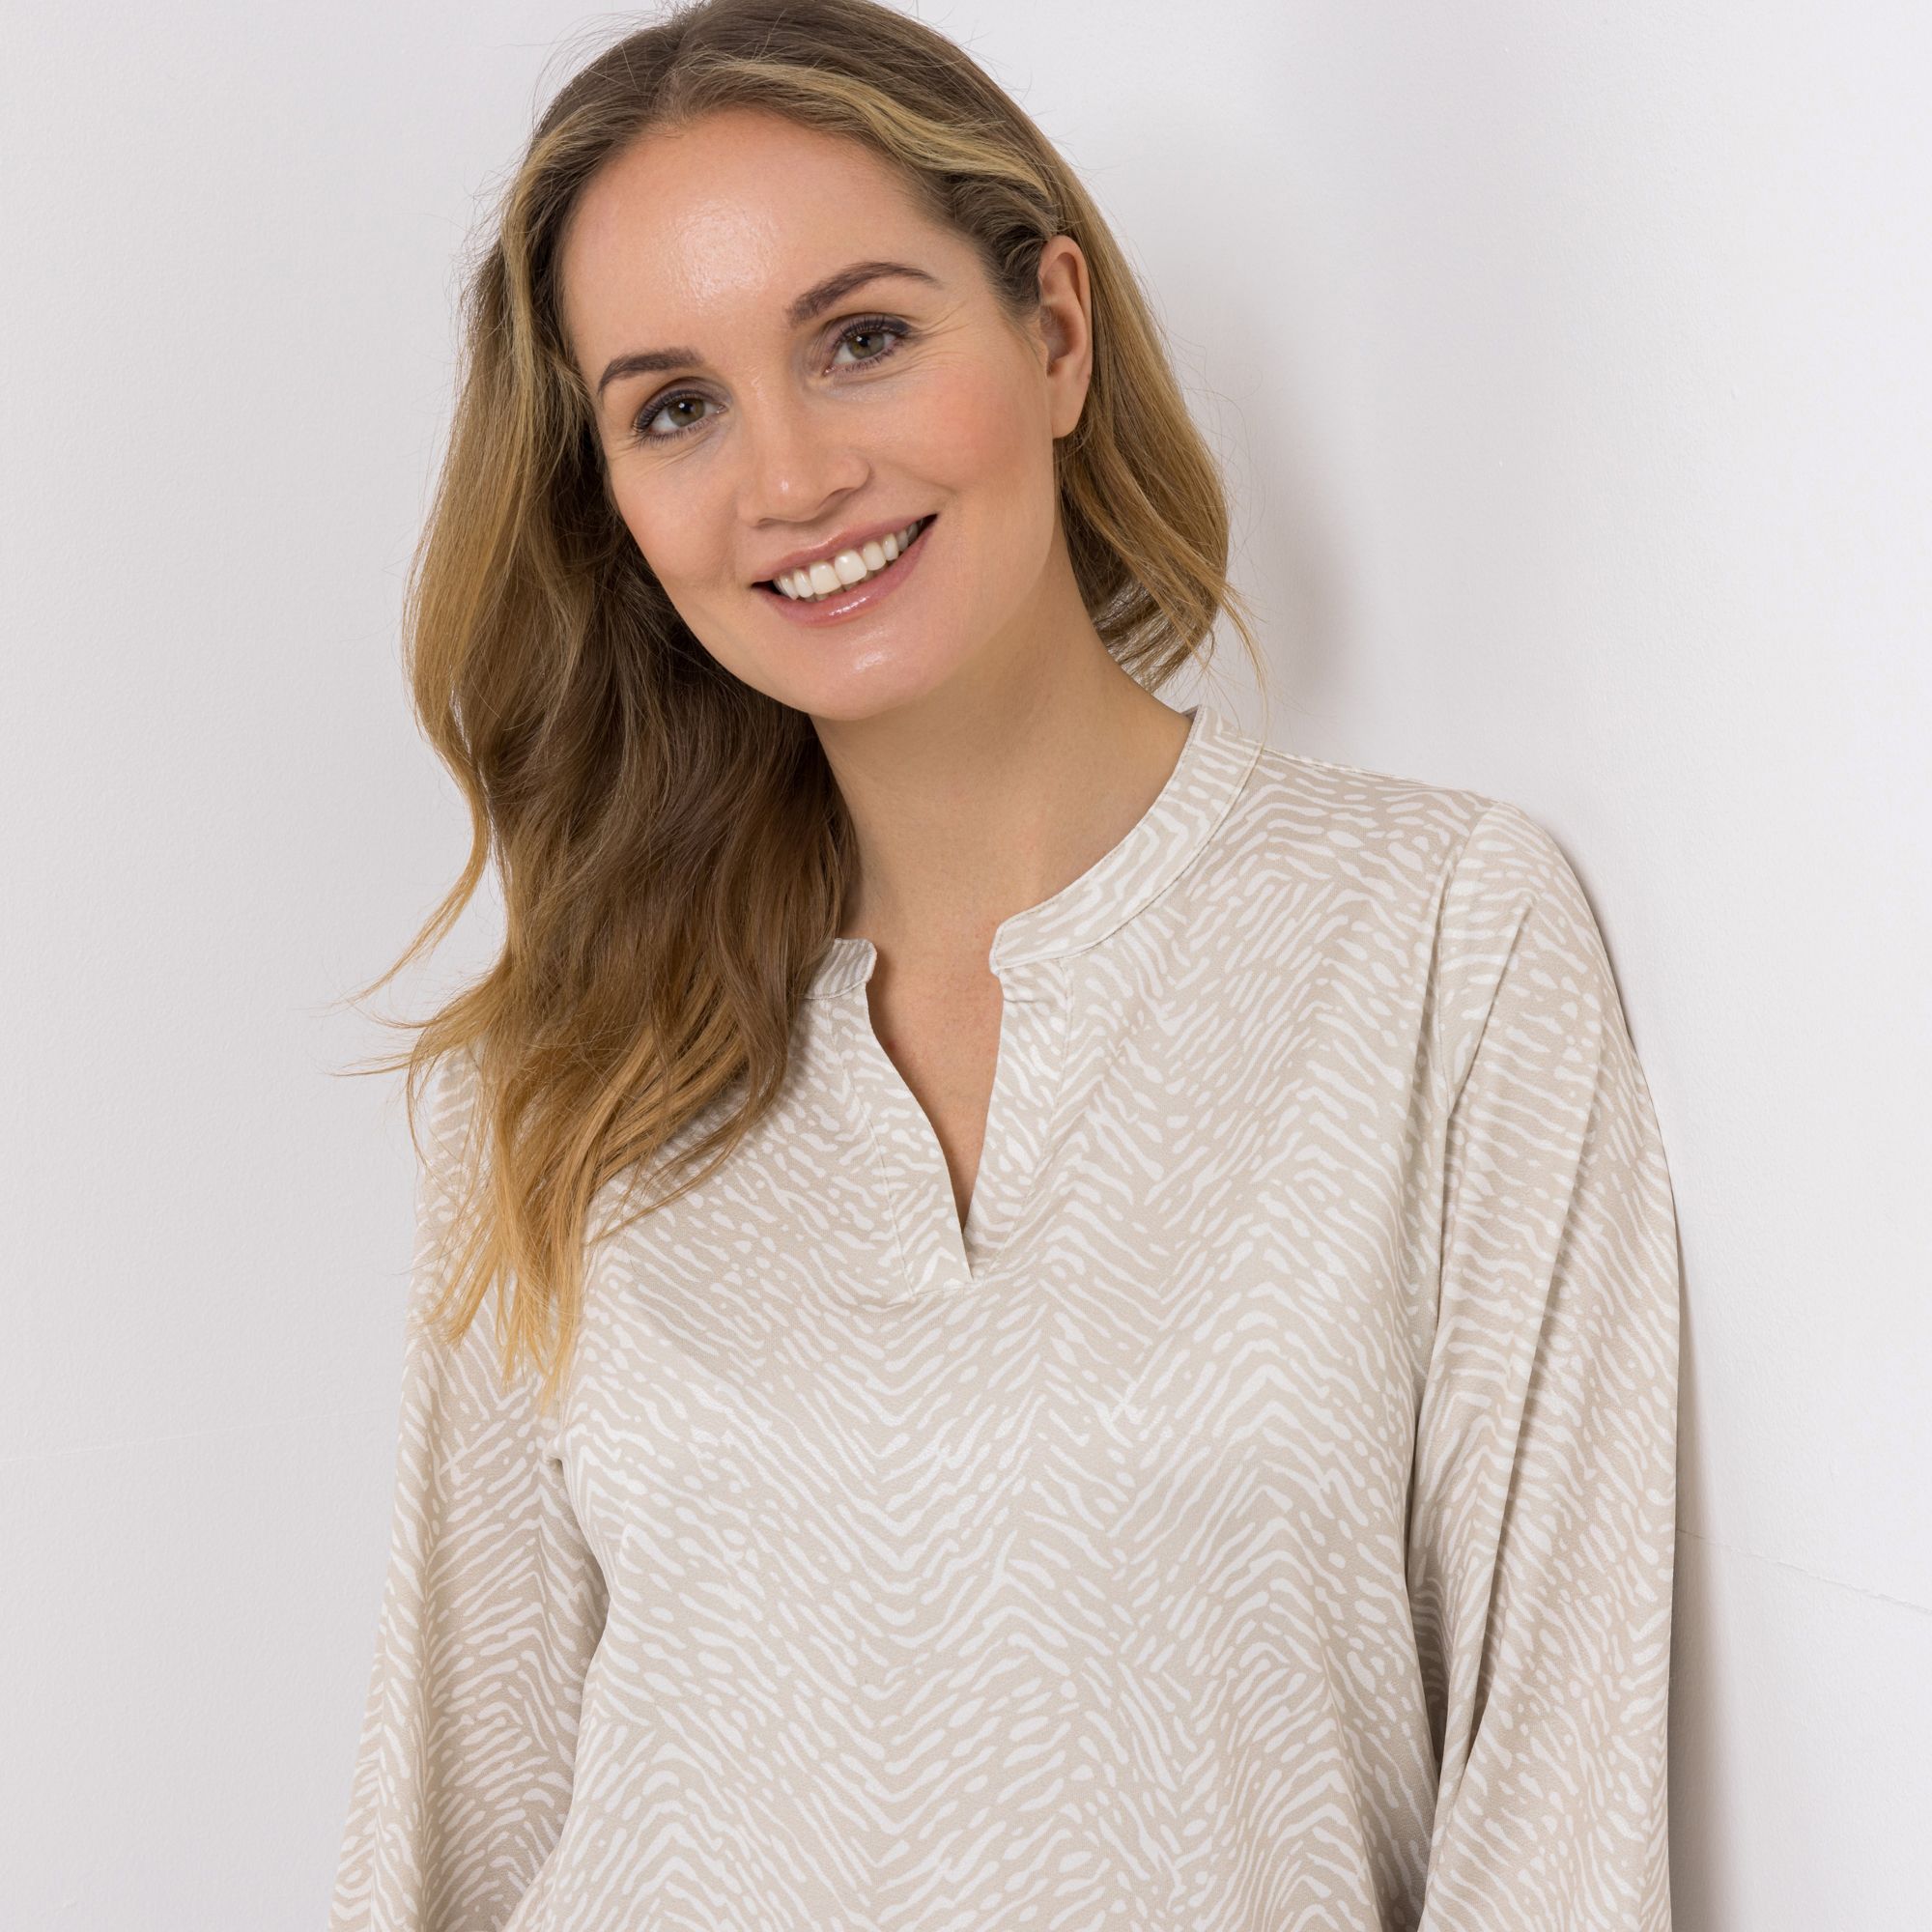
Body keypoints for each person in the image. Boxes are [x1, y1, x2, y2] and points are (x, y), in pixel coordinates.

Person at [327, 2, 1682, 1927]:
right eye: (675, 407)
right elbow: (455, 1822)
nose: (790, 476)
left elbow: (1559, 1806)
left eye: (860, 339)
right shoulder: (559, 1078)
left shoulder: (1438, 940)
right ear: (612, 505)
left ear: (1052, 331)